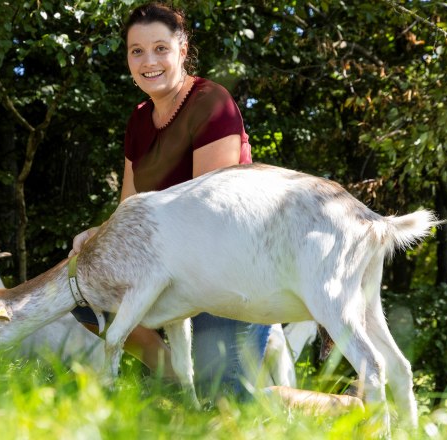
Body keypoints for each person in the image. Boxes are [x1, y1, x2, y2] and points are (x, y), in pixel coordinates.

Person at [70, 2, 271, 397]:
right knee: (84, 295)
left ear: (182, 50)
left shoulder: (211, 103)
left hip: (233, 272)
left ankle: (331, 408)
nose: (149, 61)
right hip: (178, 272)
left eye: (161, 48)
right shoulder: (138, 118)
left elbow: (207, 212)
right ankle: (175, 381)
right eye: (137, 51)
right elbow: (129, 209)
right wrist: (97, 236)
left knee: (228, 402)